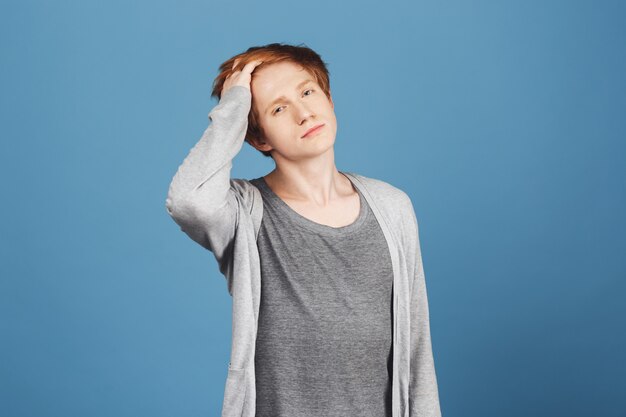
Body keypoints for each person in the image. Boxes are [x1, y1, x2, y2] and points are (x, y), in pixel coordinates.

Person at [165, 43, 442, 417]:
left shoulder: (392, 207)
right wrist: (233, 108)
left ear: (328, 99)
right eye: (279, 108)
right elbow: (188, 201)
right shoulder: (246, 213)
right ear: (259, 138)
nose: (303, 113)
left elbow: (417, 351)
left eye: (307, 92)